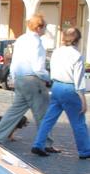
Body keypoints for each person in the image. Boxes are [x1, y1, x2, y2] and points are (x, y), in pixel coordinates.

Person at [0, 13, 59, 152]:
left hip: (20, 79)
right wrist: (48, 78)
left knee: (14, 111)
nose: (45, 29)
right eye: (44, 26)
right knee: (43, 113)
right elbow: (38, 67)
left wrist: (14, 79)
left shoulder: (21, 39)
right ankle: (46, 143)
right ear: (39, 27)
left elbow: (14, 61)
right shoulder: (37, 42)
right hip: (33, 80)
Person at [31, 28, 90, 159]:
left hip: (56, 86)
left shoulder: (57, 52)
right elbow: (79, 80)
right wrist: (83, 100)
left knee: (48, 119)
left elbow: (52, 70)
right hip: (69, 88)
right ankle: (85, 151)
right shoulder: (77, 56)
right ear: (78, 39)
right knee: (78, 122)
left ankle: (38, 144)